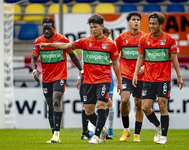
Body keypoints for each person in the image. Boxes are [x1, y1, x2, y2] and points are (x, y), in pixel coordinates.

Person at [37, 14, 123, 144]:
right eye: (91, 27)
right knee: (88, 111)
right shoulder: (85, 42)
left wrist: (119, 82)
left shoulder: (110, 44)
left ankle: (96, 136)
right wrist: (49, 44)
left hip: (104, 80)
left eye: (96, 27)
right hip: (88, 81)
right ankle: (103, 128)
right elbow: (67, 46)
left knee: (101, 105)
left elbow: (116, 64)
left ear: (102, 27)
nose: (93, 30)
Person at [132, 12, 183, 144]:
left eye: (154, 23)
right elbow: (140, 57)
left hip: (163, 78)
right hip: (148, 79)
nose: (151, 26)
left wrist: (179, 76)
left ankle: (164, 137)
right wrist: (135, 74)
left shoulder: (169, 39)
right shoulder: (144, 39)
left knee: (162, 105)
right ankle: (159, 127)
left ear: (161, 24)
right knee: (145, 107)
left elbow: (174, 58)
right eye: (150, 23)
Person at [31, 18, 83, 143]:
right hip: (46, 78)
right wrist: (34, 71)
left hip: (60, 76)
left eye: (49, 28)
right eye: (45, 28)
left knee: (55, 102)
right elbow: (33, 59)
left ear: (54, 28)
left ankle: (56, 135)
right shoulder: (38, 41)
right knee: (50, 106)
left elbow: (73, 55)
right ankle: (54, 134)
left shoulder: (62, 39)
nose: (47, 30)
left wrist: (81, 70)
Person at [115, 11, 145, 142]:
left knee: (139, 104)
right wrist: (117, 76)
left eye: (138, 19)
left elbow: (149, 56)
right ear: (129, 22)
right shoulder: (121, 38)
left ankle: (137, 134)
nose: (136, 21)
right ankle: (126, 131)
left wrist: (145, 67)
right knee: (124, 101)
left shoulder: (145, 37)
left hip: (141, 76)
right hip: (126, 75)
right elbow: (115, 57)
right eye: (133, 19)